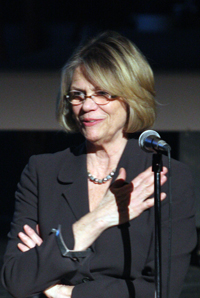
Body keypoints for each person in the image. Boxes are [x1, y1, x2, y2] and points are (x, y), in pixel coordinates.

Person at [1, 31, 196, 298]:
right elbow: (16, 280)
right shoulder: (42, 172)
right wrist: (95, 221)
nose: (87, 106)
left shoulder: (165, 175)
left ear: (132, 97)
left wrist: (62, 291)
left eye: (102, 93)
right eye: (77, 95)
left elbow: (160, 290)